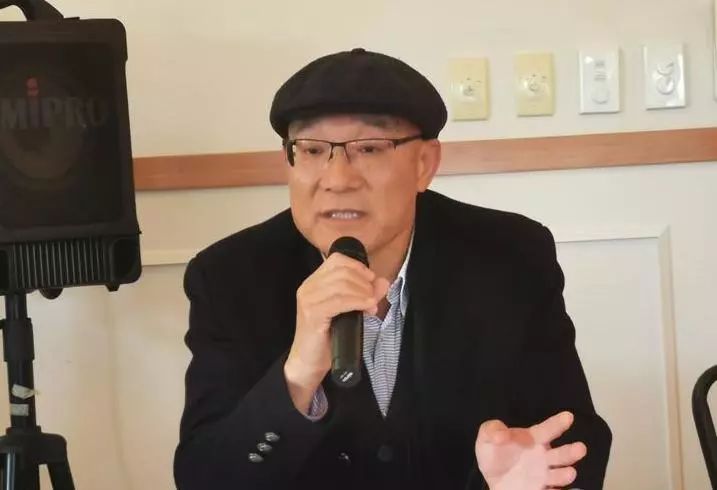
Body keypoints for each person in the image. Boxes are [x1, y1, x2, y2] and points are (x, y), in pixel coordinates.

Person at [174, 48, 612, 490]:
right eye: (311, 150)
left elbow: (574, 436)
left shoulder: (510, 257)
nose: (337, 179)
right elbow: (203, 478)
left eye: (369, 148)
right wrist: (298, 375)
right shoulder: (230, 278)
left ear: (424, 164)